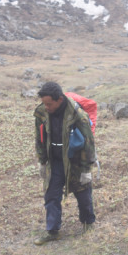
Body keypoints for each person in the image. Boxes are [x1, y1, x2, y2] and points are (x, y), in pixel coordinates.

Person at [33, 81, 96, 245]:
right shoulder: (42, 112)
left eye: (49, 104)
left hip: (75, 160)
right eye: (44, 103)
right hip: (55, 161)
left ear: (59, 100)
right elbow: (40, 138)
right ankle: (53, 231)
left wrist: (86, 169)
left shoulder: (77, 115)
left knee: (82, 192)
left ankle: (88, 223)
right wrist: (42, 161)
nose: (46, 107)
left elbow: (88, 143)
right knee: (51, 195)